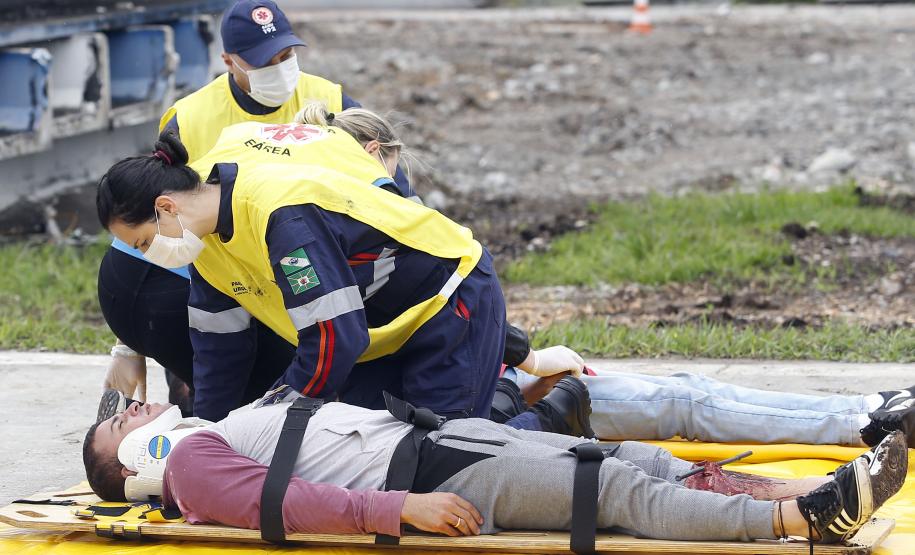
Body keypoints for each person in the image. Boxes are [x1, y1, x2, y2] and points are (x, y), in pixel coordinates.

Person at [82, 392, 909, 550]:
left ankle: (818, 491)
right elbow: (281, 504)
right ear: (126, 460)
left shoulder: (209, 433)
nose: (139, 408)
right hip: (427, 472)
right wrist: (398, 508)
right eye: (123, 419)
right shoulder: (188, 464)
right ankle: (800, 522)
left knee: (629, 458)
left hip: (445, 444)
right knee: (613, 491)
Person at [500, 369, 915, 448]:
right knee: (685, 404)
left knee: (690, 386)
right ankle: (862, 426)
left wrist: (531, 362)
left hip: (516, 390)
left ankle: (864, 404)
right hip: (524, 418)